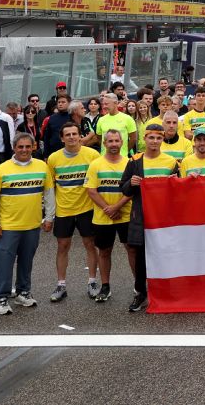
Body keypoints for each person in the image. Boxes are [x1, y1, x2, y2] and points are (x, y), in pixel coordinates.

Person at [0, 133, 55, 315]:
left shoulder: (42, 166)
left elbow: (48, 193)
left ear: (33, 147)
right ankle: (1, 297)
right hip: (8, 226)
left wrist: (49, 218)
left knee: (26, 261)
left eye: (27, 146)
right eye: (20, 147)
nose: (24, 150)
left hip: (32, 225)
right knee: (4, 264)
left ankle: (23, 292)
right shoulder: (1, 169)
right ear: (14, 148)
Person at [119, 124, 178, 313]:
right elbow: (124, 188)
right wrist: (131, 183)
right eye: (151, 138)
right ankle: (140, 292)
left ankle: (166, 291)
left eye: (158, 138)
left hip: (165, 216)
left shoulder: (171, 161)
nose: (154, 141)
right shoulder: (135, 161)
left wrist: (176, 182)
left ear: (163, 140)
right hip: (142, 215)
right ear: (145, 139)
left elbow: (179, 191)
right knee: (141, 256)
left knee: (166, 254)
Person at [47, 123, 102, 303]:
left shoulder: (93, 155)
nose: (71, 137)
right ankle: (61, 285)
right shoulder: (53, 159)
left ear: (80, 136)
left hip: (87, 208)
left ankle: (92, 282)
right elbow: (50, 187)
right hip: (64, 209)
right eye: (67, 135)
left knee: (89, 244)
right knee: (62, 246)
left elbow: (98, 182)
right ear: (62, 138)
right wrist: (49, 214)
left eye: (74, 134)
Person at [84, 129, 132, 303]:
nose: (113, 144)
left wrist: (117, 207)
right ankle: (105, 286)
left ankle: (138, 287)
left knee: (132, 250)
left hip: (125, 214)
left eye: (116, 141)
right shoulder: (96, 164)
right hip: (103, 216)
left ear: (122, 143)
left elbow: (133, 190)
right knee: (104, 251)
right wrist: (108, 208)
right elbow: (91, 190)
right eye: (110, 141)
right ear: (104, 143)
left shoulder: (129, 163)